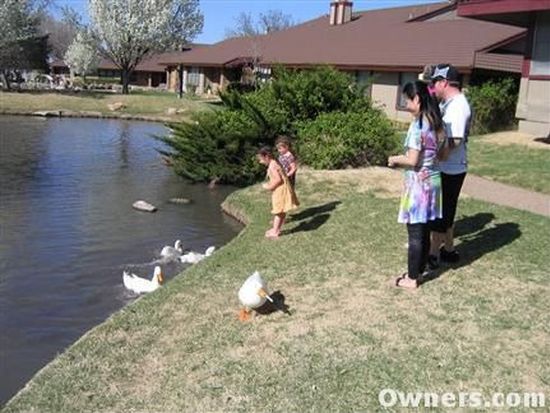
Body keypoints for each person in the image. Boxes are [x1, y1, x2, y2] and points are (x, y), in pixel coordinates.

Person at [388, 80, 445, 289]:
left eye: (407, 99)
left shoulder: (418, 126)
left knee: (415, 233)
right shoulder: (436, 122)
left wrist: (394, 159)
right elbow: (443, 152)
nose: (405, 103)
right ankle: (419, 272)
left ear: (417, 99)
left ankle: (411, 278)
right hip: (433, 181)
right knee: (425, 230)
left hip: (419, 185)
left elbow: (412, 160)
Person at [428, 64, 472, 267]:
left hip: (451, 167)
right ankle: (449, 250)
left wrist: (439, 156)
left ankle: (433, 254)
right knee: (447, 210)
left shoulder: (457, 106)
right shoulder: (449, 103)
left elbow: (455, 139)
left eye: (435, 82)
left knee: (441, 212)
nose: (433, 87)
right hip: (449, 166)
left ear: (444, 82)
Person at [257, 146, 299, 238]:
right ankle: (276, 229)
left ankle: (275, 232)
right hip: (282, 189)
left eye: (261, 159)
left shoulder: (272, 165)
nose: (260, 162)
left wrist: (269, 187)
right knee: (281, 210)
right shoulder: (274, 162)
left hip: (280, 191)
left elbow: (278, 180)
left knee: (278, 212)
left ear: (266, 156)